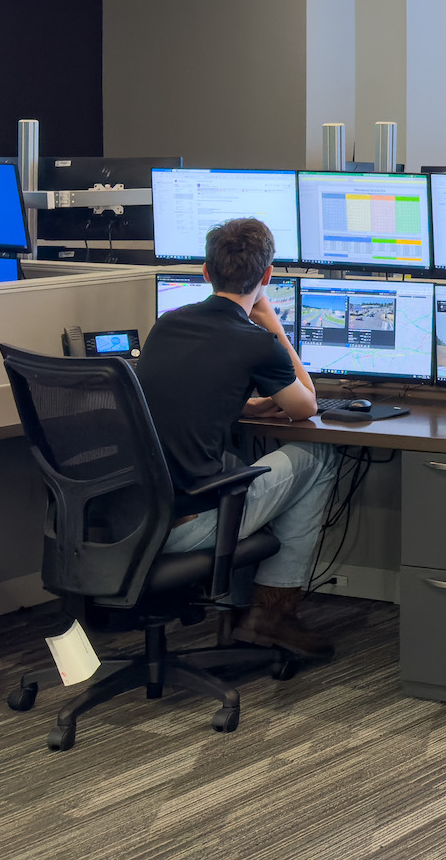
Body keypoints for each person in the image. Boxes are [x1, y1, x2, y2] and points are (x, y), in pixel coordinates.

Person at [133, 217, 338, 659]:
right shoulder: (257, 342)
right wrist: (272, 325)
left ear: (205, 273)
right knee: (319, 454)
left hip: (134, 517)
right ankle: (271, 615)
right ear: (267, 277)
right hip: (188, 526)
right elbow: (307, 405)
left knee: (239, 465)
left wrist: (249, 405)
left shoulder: (167, 324)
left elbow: (184, 396)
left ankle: (235, 612)